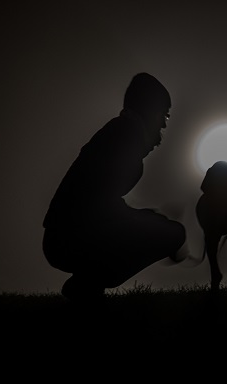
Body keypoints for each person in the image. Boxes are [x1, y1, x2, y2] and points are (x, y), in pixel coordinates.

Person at [42, 72, 187, 301]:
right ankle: (87, 285)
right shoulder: (124, 138)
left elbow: (99, 201)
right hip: (68, 239)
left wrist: (141, 217)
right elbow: (100, 206)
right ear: (150, 112)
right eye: (163, 116)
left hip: (62, 236)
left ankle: (85, 284)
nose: (163, 125)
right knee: (173, 234)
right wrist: (145, 220)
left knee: (163, 229)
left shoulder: (119, 133)